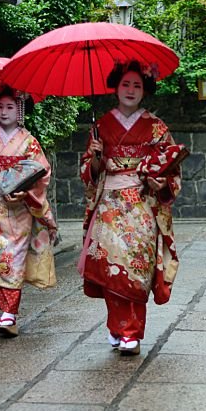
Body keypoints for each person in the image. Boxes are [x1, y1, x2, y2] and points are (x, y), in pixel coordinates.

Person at [78, 60, 181, 355]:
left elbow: (170, 167)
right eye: (125, 84)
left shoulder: (156, 127)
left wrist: (161, 182)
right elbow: (88, 171)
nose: (131, 90)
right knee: (112, 267)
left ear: (144, 89)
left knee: (138, 266)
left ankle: (132, 332)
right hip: (109, 204)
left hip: (140, 204)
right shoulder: (101, 126)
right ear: (115, 87)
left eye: (137, 85)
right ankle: (119, 328)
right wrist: (97, 157)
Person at [0, 85, 57, 336]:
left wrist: (25, 190)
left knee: (13, 257)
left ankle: (8, 313)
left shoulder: (29, 142)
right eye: (0, 107)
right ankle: (6, 312)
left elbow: (41, 172)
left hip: (19, 207)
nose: (4, 112)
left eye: (10, 107)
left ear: (20, 111)